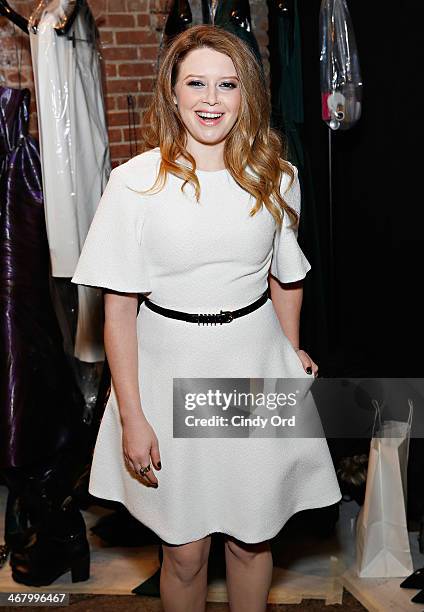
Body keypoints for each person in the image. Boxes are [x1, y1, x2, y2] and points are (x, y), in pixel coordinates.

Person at [71, 24, 341, 612]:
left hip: (251, 368)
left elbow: (286, 276)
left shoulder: (278, 175)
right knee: (186, 550)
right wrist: (132, 417)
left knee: (251, 537)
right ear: (172, 90)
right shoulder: (134, 183)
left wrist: (290, 349)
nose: (211, 99)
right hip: (168, 374)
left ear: (248, 96)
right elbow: (117, 314)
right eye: (196, 83)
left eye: (227, 84)